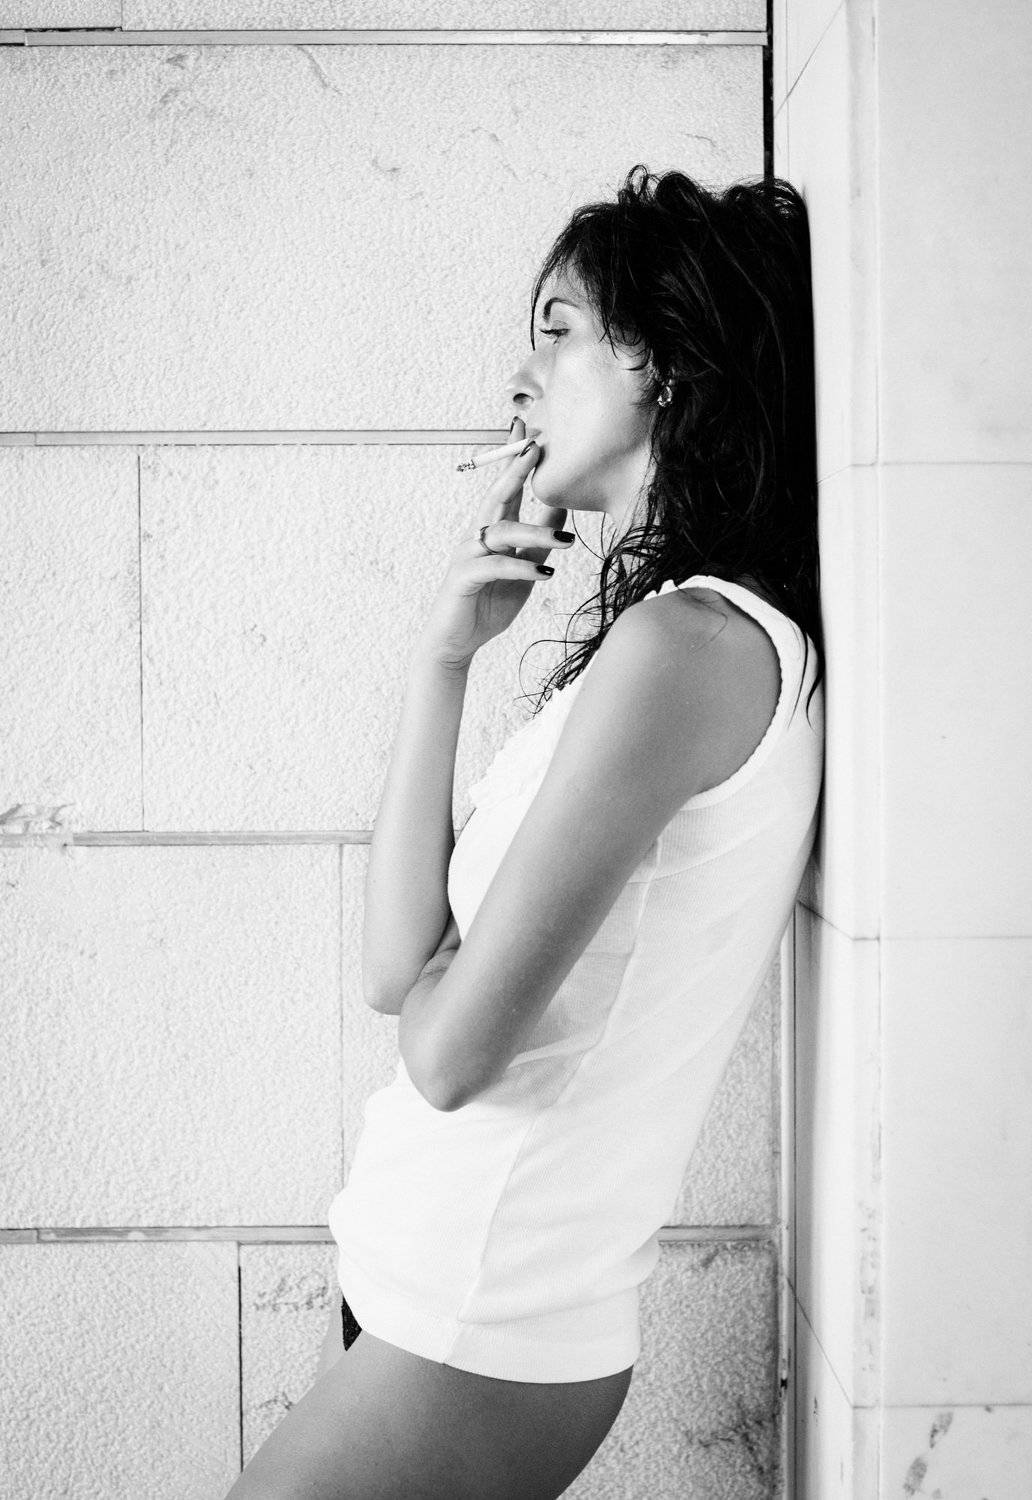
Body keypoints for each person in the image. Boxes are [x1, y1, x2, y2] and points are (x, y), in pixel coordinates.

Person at [226, 163, 825, 1500]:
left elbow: (445, 1055)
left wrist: (447, 994)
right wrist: (443, 658)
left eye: (559, 333)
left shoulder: (693, 648)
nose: (520, 379)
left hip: (480, 1317)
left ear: (670, 365)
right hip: (421, 1288)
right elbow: (398, 971)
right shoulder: (662, 644)